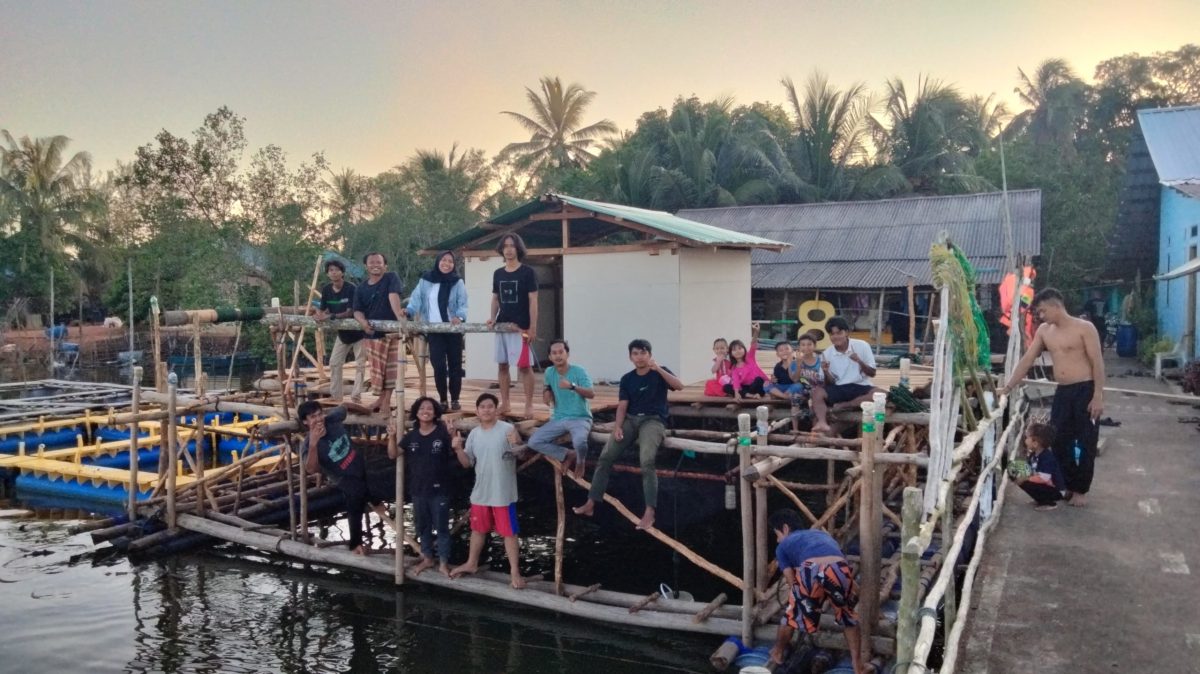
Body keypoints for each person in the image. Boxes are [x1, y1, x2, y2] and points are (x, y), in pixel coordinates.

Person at [1001, 287, 1105, 507]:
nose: (1040, 316)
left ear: (1055, 306)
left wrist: (1098, 396)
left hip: (1085, 389)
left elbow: (1098, 362)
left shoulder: (1084, 328)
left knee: (1085, 442)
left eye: (1042, 311)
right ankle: (1064, 485)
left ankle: (1080, 490)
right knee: (1057, 439)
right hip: (1063, 391)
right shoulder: (1045, 331)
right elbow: (1028, 359)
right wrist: (1009, 386)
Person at [573, 339, 684, 530]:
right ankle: (592, 502)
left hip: (653, 420)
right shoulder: (627, 379)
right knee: (605, 457)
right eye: (635, 354)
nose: (639, 357)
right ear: (630, 357)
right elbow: (623, 405)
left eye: (643, 353)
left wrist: (658, 369)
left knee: (646, 460)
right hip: (631, 420)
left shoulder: (660, 372)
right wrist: (617, 427)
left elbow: (679, 386)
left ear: (649, 354)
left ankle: (650, 511)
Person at [768, 509, 864, 673]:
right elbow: (841, 571)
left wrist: (804, 604)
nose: (777, 540)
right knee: (848, 618)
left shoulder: (783, 546)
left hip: (811, 568)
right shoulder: (823, 536)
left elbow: (792, 581)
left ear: (785, 528)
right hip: (838, 567)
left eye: (777, 534)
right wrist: (857, 594)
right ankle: (857, 665)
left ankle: (777, 652)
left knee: (791, 615)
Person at [450, 393, 526, 588]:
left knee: (509, 533)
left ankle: (515, 572)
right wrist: (458, 449)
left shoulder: (508, 429)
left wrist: (517, 444)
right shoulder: (474, 434)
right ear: (477, 411)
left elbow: (522, 454)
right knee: (477, 529)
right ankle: (471, 563)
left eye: (490, 406)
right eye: (482, 407)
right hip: (481, 491)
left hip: (503, 492)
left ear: (496, 409)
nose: (486, 409)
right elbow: (467, 463)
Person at [299, 401, 392, 555]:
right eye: (313, 417)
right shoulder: (308, 445)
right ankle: (355, 544)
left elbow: (346, 405)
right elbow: (312, 469)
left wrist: (367, 410)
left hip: (357, 463)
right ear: (305, 421)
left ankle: (375, 501)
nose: (319, 419)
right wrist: (314, 443)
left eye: (320, 414)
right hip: (343, 477)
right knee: (355, 500)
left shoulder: (332, 419)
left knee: (373, 482)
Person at [394, 397, 457, 576]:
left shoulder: (442, 433)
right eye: (422, 408)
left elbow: (455, 451)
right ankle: (427, 558)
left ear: (435, 413)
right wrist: (391, 437)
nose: (426, 411)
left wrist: (453, 434)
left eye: (430, 408)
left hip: (440, 489)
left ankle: (444, 562)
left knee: (442, 527)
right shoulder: (411, 436)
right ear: (416, 412)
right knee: (422, 526)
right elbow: (393, 454)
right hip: (418, 490)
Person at [406, 250, 468, 411]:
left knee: (455, 366)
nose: (447, 264)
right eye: (444, 260)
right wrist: (409, 311)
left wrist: (459, 317)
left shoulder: (457, 282)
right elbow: (416, 298)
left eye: (450, 261)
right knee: (439, 365)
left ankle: (455, 399)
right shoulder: (426, 280)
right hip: (434, 330)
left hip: (452, 330)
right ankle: (442, 399)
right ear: (438, 261)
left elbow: (463, 304)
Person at [486, 233, 539, 418]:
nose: (508, 249)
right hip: (502, 326)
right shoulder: (498, 273)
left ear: (518, 249)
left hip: (521, 327)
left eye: (512, 246)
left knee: (524, 367)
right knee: (502, 365)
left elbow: (533, 300)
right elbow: (495, 298)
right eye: (506, 246)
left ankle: (529, 405)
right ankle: (506, 403)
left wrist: (532, 327)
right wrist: (492, 318)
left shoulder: (528, 272)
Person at [527, 339, 594, 479]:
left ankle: (580, 462)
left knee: (580, 441)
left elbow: (591, 393)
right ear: (550, 357)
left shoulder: (579, 371)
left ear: (567, 354)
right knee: (533, 442)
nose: (558, 356)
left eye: (561, 352)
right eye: (554, 353)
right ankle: (568, 454)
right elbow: (547, 389)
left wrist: (572, 386)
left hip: (580, 417)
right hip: (559, 418)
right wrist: (546, 393)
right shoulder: (549, 372)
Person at [352, 252, 405, 414]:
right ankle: (381, 399)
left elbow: (393, 296)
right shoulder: (361, 288)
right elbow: (357, 311)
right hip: (372, 334)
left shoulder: (391, 278)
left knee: (391, 370)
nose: (376, 265)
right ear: (366, 266)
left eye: (379, 262)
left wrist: (400, 320)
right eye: (372, 262)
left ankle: (386, 401)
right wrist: (363, 323)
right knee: (377, 371)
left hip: (391, 333)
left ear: (385, 265)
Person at [811, 317, 882, 435]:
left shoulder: (862, 345)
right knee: (817, 392)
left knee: (881, 394)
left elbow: (872, 373)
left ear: (846, 332)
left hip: (861, 386)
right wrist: (825, 371)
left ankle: (845, 405)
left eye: (839, 333)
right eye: (832, 334)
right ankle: (822, 422)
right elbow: (830, 383)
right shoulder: (827, 353)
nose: (836, 336)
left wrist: (859, 361)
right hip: (841, 387)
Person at [316, 259, 365, 403]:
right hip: (342, 333)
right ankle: (336, 396)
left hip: (358, 332)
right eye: (331, 270)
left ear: (342, 272)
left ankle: (356, 395)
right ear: (327, 273)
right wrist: (318, 314)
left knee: (361, 364)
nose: (334, 272)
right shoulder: (326, 289)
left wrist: (330, 316)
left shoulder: (351, 288)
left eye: (336, 270)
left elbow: (351, 312)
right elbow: (323, 308)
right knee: (334, 362)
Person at [1013, 421, 1066, 511]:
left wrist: (1025, 478)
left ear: (1035, 443)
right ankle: (1040, 499)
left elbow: (1044, 478)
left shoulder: (1047, 457)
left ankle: (1049, 502)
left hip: (1055, 491)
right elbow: (1029, 468)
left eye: (1027, 437)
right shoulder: (1034, 454)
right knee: (1014, 470)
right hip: (1044, 486)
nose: (1025, 439)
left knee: (1023, 480)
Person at [726, 323, 769, 398]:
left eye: (740, 348)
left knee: (759, 380)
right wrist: (736, 393)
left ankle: (753, 394)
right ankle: (750, 395)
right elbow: (736, 381)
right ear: (731, 353)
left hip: (756, 386)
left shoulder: (749, 357)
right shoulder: (734, 367)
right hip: (746, 388)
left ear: (744, 349)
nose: (738, 351)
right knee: (726, 387)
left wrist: (756, 332)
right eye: (734, 350)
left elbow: (753, 344)